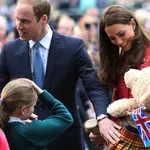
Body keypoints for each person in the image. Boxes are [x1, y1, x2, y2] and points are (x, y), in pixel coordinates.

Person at [0, 0, 111, 150]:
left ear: (43, 19)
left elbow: (94, 85)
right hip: (23, 142)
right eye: (17, 19)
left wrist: (102, 117)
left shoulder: (74, 47)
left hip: (66, 138)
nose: (18, 26)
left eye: (25, 21)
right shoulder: (9, 51)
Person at [90, 5, 150, 149]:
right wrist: (105, 129)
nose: (119, 42)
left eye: (121, 34)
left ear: (133, 24)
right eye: (112, 38)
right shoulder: (120, 59)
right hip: (127, 137)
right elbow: (118, 103)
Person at [0, 78, 73, 150]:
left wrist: (21, 121)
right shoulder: (29, 131)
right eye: (33, 105)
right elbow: (65, 116)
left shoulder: (4, 127)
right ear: (23, 110)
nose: (33, 109)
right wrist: (41, 92)